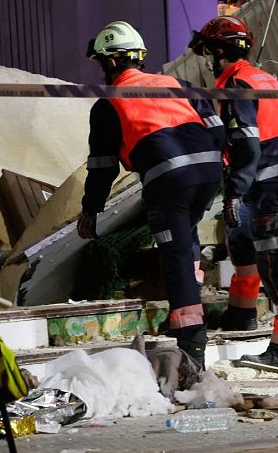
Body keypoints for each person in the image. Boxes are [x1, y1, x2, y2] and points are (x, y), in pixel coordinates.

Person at [77, 21, 224, 368]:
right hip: (208, 172)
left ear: (110, 63)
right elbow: (216, 130)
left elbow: (102, 167)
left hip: (169, 180)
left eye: (101, 64)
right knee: (185, 238)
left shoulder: (109, 103)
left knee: (173, 256)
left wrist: (90, 210)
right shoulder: (178, 85)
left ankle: (191, 344)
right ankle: (184, 308)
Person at [189, 16, 278, 370]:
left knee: (275, 264)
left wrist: (234, 192)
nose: (207, 60)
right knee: (241, 238)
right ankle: (242, 314)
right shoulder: (263, 77)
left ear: (221, 51)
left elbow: (247, 145)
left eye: (209, 52)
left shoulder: (237, 85)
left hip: (266, 182)